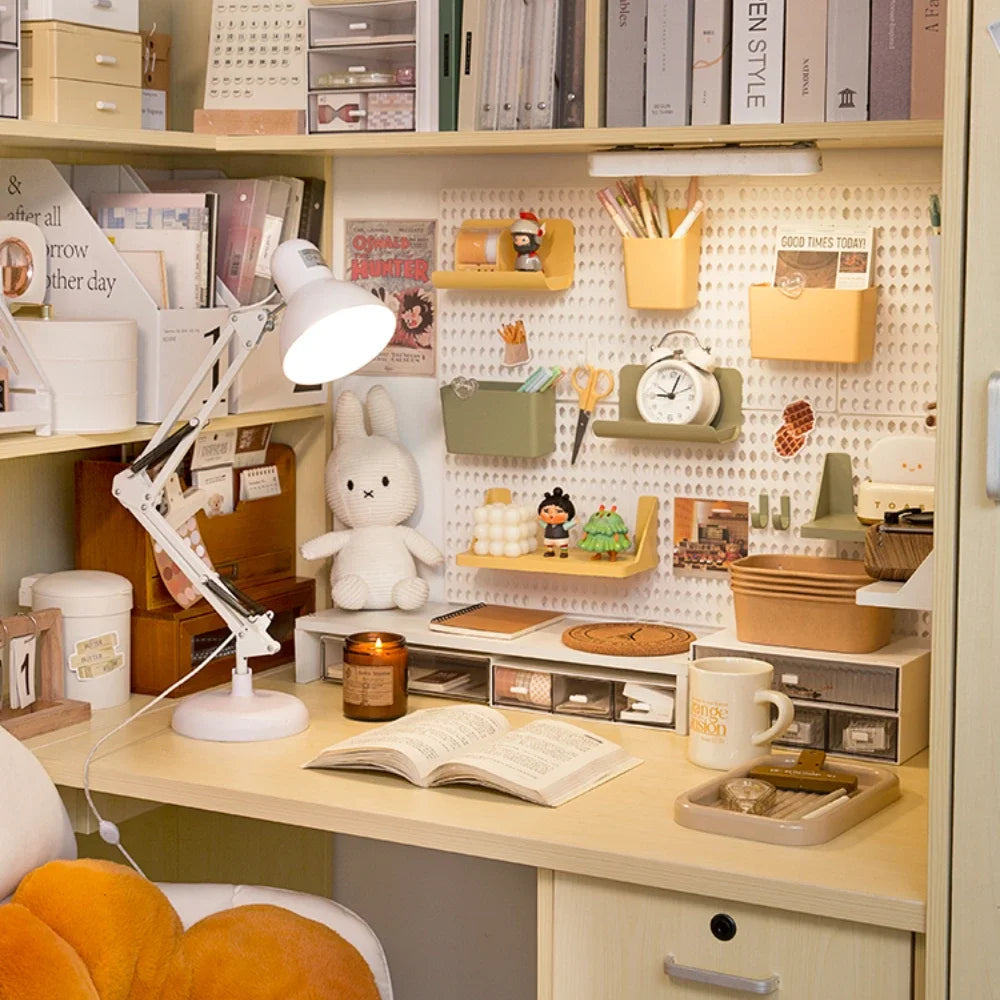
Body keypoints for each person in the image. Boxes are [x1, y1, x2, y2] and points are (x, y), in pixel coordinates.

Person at [538, 487, 575, 558]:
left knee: (563, 545)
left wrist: (574, 522)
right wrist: (540, 520)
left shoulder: (563, 526)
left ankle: (564, 552)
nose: (552, 515)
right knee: (549, 545)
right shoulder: (547, 525)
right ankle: (550, 551)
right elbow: (544, 525)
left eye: (558, 511)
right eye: (546, 511)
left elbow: (568, 525)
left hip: (561, 538)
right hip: (548, 537)